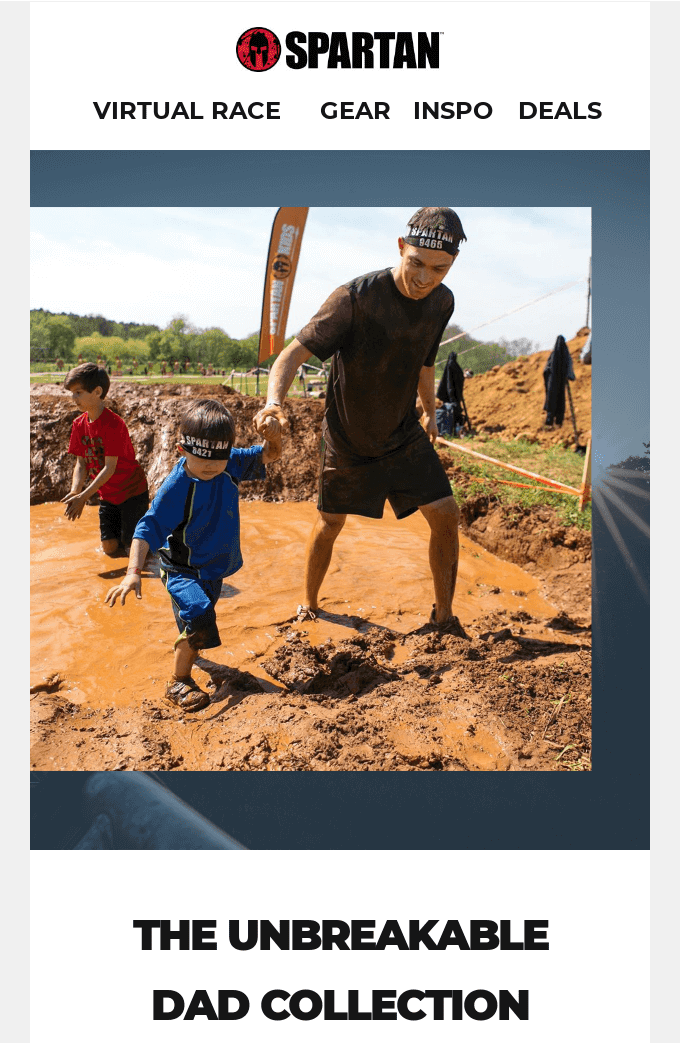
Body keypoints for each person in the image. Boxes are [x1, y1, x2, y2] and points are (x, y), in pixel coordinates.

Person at [254, 206, 466, 625]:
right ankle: (310, 604)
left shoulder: (442, 302)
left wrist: (429, 412)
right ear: (401, 247)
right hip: (347, 435)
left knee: (446, 513)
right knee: (330, 522)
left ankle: (445, 619)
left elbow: (427, 360)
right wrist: (273, 402)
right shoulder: (355, 297)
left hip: (402, 433)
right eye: (417, 264)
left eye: (439, 269)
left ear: (452, 264)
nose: (425, 278)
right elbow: (291, 355)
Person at [105, 399, 282, 712]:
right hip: (182, 569)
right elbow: (146, 529)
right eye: (201, 460)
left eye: (219, 459)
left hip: (213, 569)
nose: (211, 467)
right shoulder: (178, 487)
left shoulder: (229, 462)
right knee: (200, 617)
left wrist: (273, 436)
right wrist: (132, 571)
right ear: (181, 451)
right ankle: (178, 680)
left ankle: (192, 650)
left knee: (197, 621)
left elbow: (269, 455)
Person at [62, 363, 149, 558]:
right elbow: (81, 464)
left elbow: (109, 468)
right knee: (109, 549)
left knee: (132, 549)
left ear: (97, 391)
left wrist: (84, 497)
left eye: (78, 392)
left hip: (132, 492)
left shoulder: (113, 424)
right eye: (72, 393)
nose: (73, 398)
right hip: (108, 495)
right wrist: (76, 491)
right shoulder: (78, 425)